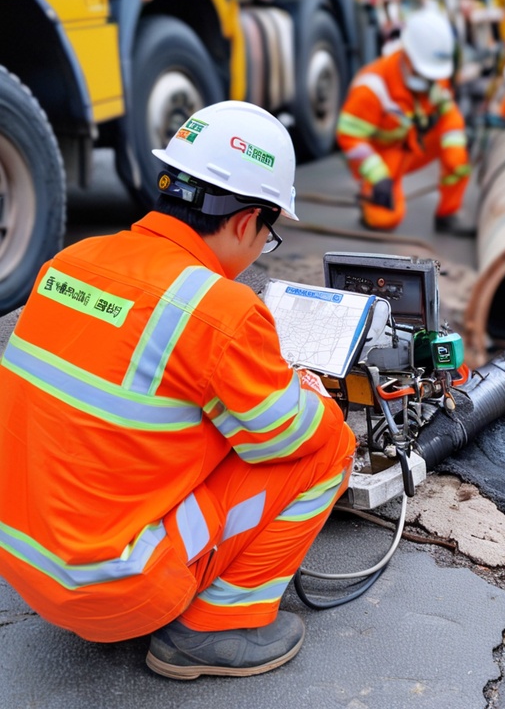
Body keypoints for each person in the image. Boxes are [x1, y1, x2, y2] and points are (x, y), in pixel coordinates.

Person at [0, 101, 356, 679]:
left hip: (22, 562)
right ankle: (214, 630)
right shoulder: (221, 308)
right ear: (247, 222)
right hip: (116, 590)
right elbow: (286, 439)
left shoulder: (70, 262)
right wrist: (308, 394)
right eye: (268, 236)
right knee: (332, 444)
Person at [336, 7, 473, 236]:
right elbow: (349, 136)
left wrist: (455, 147)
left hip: (411, 145)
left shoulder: (434, 74)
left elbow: (449, 112)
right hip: (382, 156)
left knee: (457, 159)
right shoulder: (372, 87)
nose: (430, 81)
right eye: (424, 74)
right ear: (406, 54)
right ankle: (370, 195)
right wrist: (377, 176)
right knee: (384, 218)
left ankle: (448, 214)